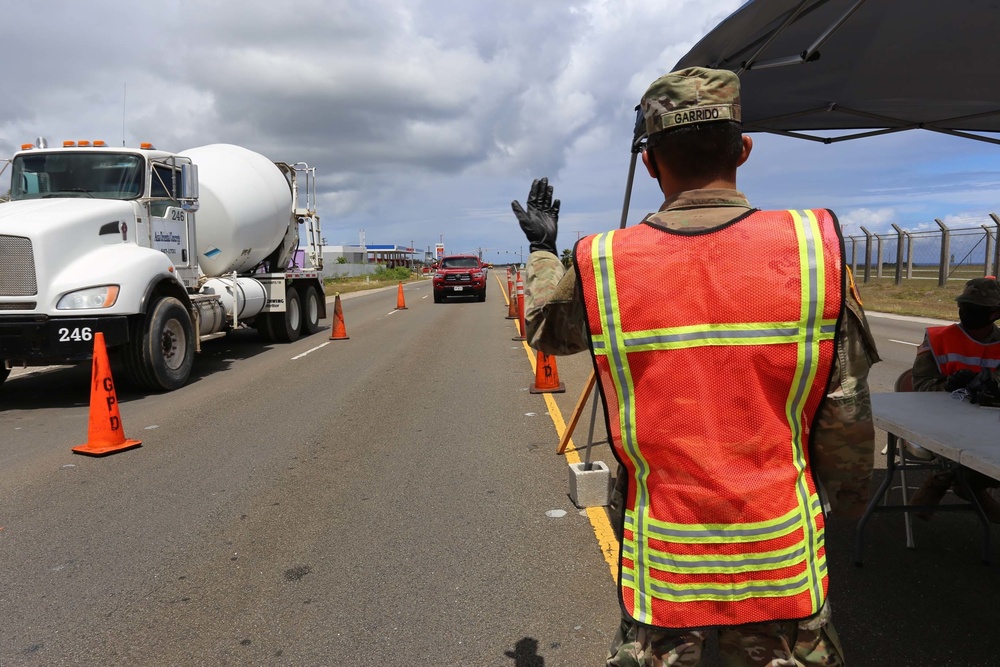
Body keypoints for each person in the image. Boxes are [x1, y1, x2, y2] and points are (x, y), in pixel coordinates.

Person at [512, 67, 880, 667]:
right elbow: (845, 407)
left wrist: (541, 252)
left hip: (664, 560)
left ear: (651, 163)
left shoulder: (604, 260)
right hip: (779, 553)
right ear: (743, 149)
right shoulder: (814, 247)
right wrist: (849, 495)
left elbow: (546, 331)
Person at [907, 277, 1000, 519]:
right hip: (941, 421)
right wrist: (948, 386)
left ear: (994, 314)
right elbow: (921, 386)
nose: (966, 312)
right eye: (964, 305)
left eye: (975, 309)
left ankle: (959, 482)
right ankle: (961, 483)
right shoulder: (938, 339)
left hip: (989, 424)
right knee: (967, 448)